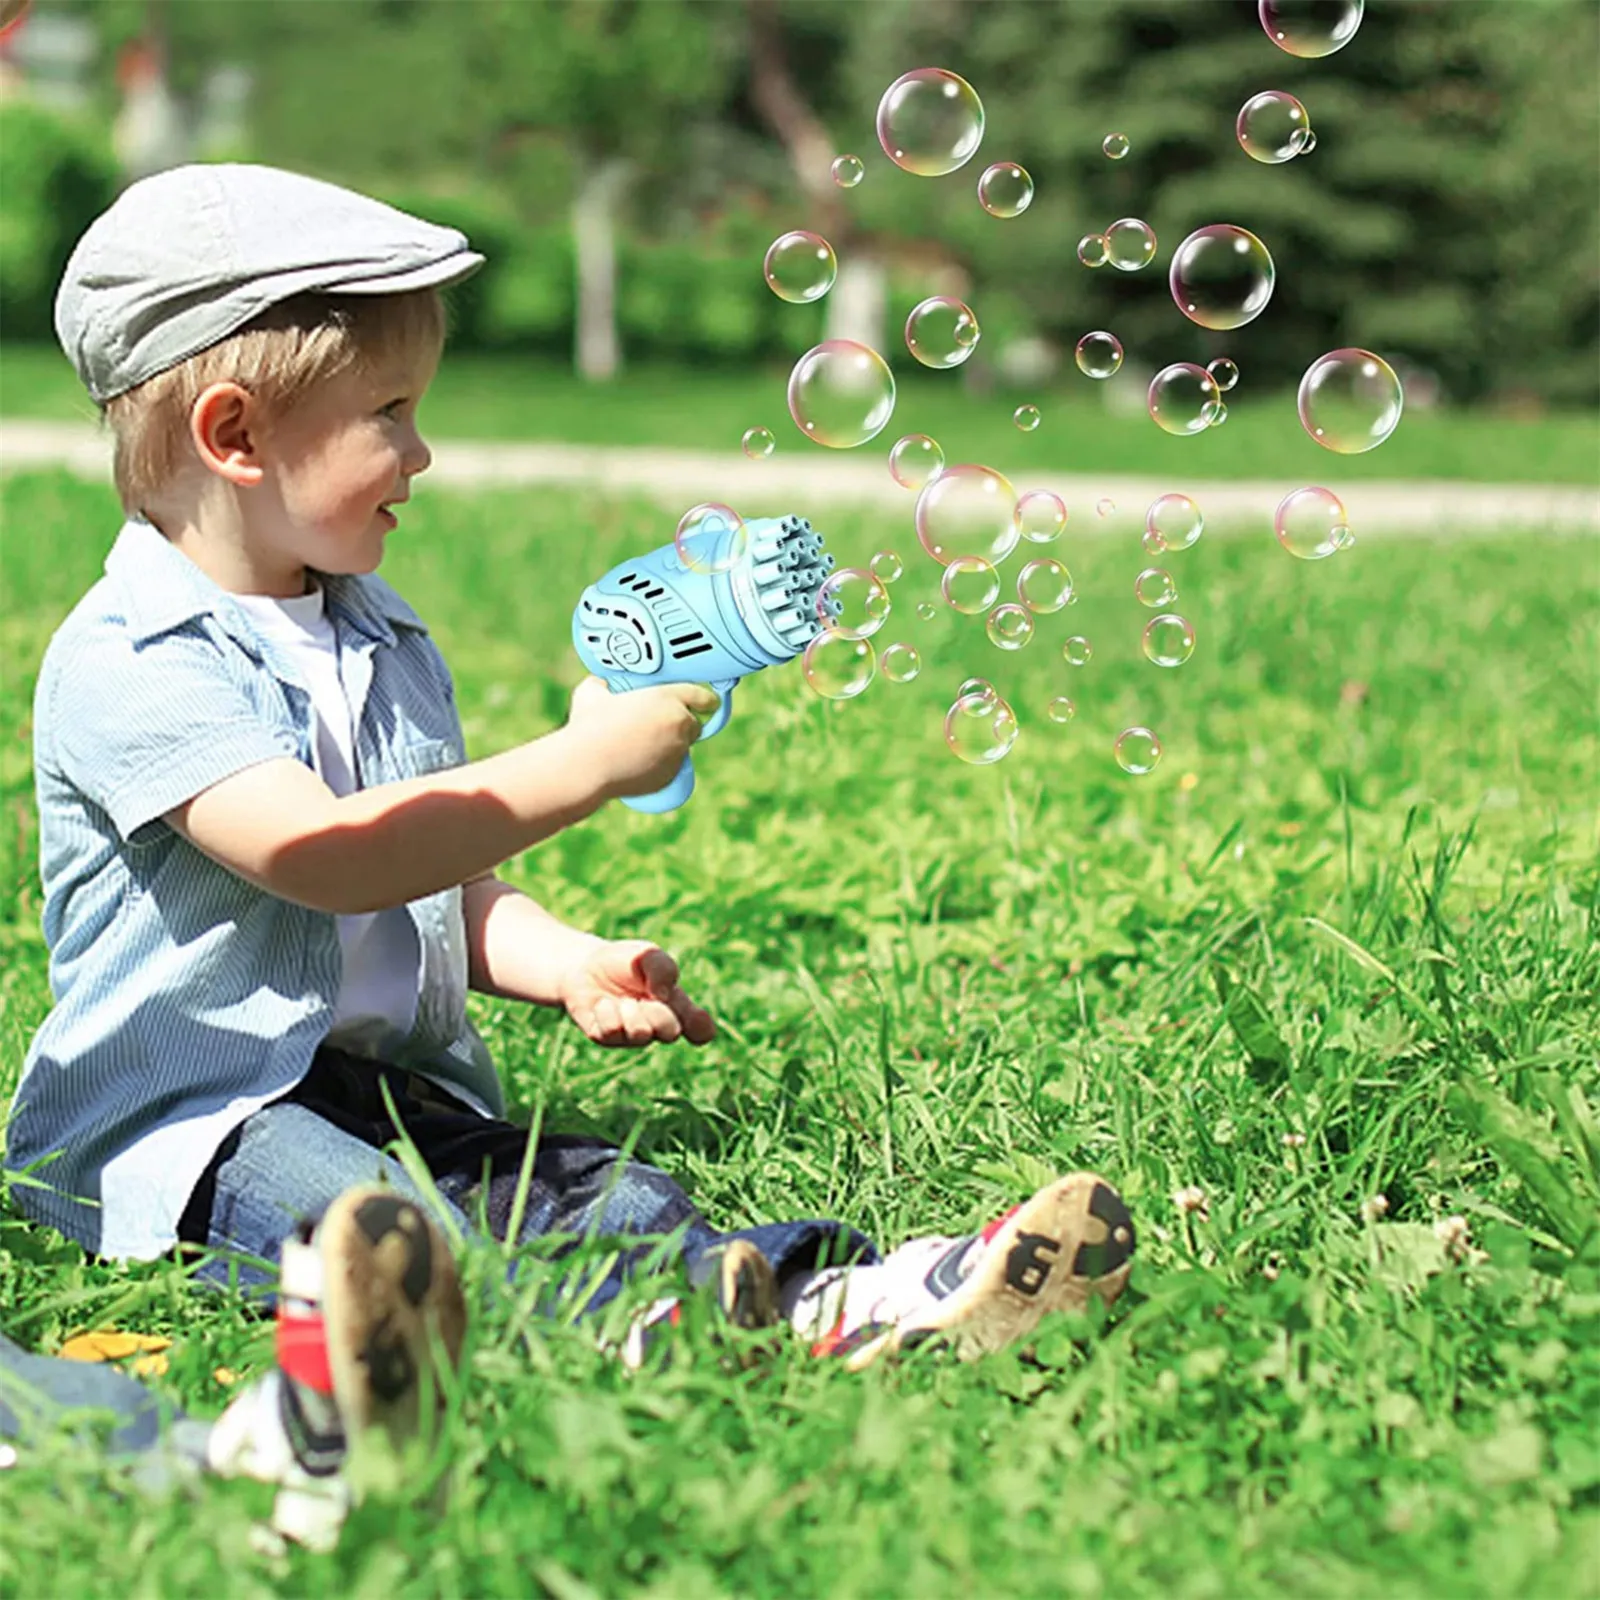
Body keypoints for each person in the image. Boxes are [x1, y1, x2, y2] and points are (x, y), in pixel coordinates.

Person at [4, 163, 1136, 1525]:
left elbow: (443, 888)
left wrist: (562, 961)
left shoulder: (382, 634)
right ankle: (629, 1328)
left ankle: (845, 1293)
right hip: (196, 1121)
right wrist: (585, 763)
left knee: (591, 1183)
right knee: (371, 1220)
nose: (421, 454)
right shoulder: (132, 660)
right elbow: (327, 856)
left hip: (382, 1082)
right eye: (389, 414)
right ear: (235, 433)